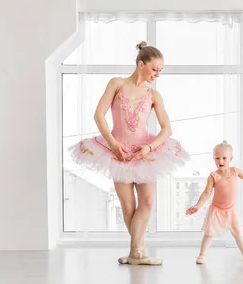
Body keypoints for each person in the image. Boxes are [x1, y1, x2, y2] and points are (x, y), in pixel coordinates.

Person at [70, 41, 189, 265]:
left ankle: (136, 253)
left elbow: (167, 129)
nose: (157, 74)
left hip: (145, 154)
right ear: (141, 64)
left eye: (160, 71)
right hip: (117, 152)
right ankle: (138, 253)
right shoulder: (117, 84)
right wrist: (114, 144)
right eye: (155, 69)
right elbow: (99, 115)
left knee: (147, 201)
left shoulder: (154, 95)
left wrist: (150, 147)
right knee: (127, 205)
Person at [186, 141, 243, 264]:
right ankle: (202, 255)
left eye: (224, 158)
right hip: (217, 209)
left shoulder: (235, 171)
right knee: (209, 233)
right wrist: (197, 206)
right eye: (217, 158)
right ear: (214, 159)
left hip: (231, 209)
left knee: (238, 232)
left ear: (230, 159)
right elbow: (206, 193)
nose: (221, 161)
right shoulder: (213, 176)